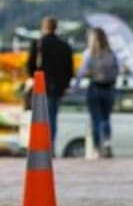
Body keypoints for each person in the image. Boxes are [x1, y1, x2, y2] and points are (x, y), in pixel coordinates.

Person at [25, 16, 74, 149]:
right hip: (57, 88)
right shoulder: (64, 47)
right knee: (52, 117)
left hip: (41, 85)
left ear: (43, 27)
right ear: (55, 27)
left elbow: (29, 66)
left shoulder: (38, 44)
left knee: (39, 118)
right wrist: (64, 85)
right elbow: (69, 69)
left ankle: (39, 145)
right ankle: (49, 145)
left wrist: (35, 78)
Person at [75, 27, 120, 158]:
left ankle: (97, 148)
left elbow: (82, 72)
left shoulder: (89, 53)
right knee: (106, 119)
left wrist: (75, 87)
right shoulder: (111, 53)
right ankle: (107, 143)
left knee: (96, 119)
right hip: (109, 87)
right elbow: (118, 70)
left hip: (95, 87)